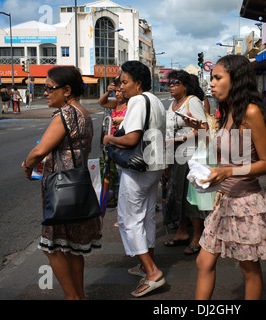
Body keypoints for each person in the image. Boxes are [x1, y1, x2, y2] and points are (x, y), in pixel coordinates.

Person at [195, 55, 266, 300]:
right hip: (224, 201)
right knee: (203, 261)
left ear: (237, 80)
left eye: (218, 77)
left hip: (245, 204)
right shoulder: (227, 110)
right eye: (211, 78)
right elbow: (229, 156)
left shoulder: (250, 112)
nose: (211, 83)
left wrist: (227, 172)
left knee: (249, 269)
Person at [22, 66, 102, 300]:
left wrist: (26, 166)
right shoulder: (83, 112)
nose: (45, 93)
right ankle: (80, 296)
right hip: (78, 188)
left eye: (48, 88)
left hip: (60, 191)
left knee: (54, 248)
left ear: (66, 90)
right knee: (75, 248)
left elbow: (39, 151)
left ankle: (72, 297)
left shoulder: (64, 114)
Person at [103, 60, 167, 297]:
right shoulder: (156, 101)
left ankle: (152, 272)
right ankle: (145, 263)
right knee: (147, 216)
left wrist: (110, 140)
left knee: (130, 219)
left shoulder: (138, 100)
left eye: (125, 82)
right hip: (154, 166)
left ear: (138, 83)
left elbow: (131, 139)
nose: (122, 86)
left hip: (138, 168)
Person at [163, 69, 209, 255]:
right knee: (176, 193)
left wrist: (178, 140)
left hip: (191, 154)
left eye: (175, 83)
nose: (171, 86)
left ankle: (197, 235)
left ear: (185, 86)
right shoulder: (173, 104)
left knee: (191, 195)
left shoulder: (193, 102)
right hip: (174, 156)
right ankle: (182, 232)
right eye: (170, 83)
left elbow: (203, 129)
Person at [98, 77, 128, 211]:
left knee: (122, 175)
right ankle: (114, 198)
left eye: (119, 91)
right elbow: (102, 102)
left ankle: (122, 203)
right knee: (111, 172)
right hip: (111, 144)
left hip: (122, 144)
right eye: (115, 91)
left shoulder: (130, 105)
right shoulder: (115, 104)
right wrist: (107, 92)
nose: (117, 94)